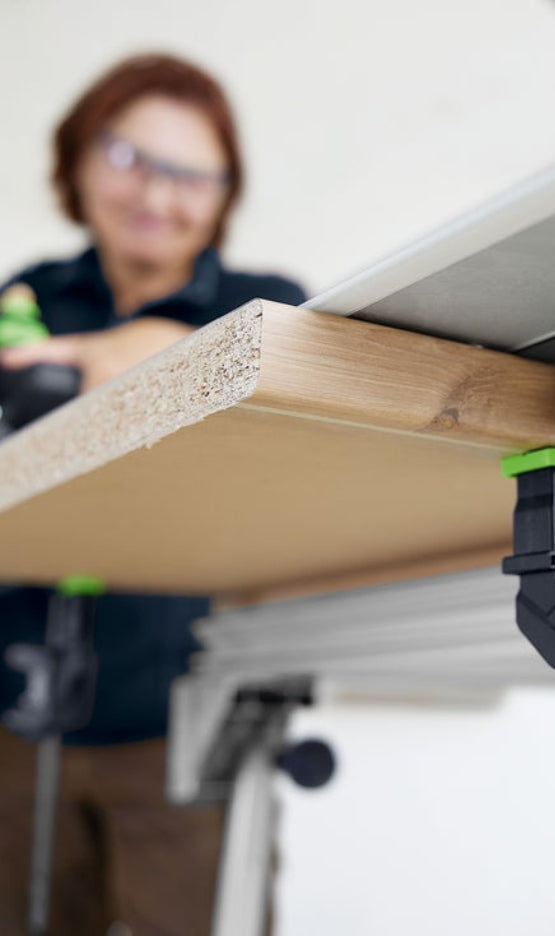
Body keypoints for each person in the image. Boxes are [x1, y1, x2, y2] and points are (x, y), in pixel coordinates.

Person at [0, 53, 305, 935]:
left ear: (223, 193)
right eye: (129, 158)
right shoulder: (28, 298)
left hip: (188, 725)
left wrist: (104, 358)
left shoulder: (268, 307)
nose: (156, 194)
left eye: (189, 173)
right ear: (79, 163)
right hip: (17, 733)